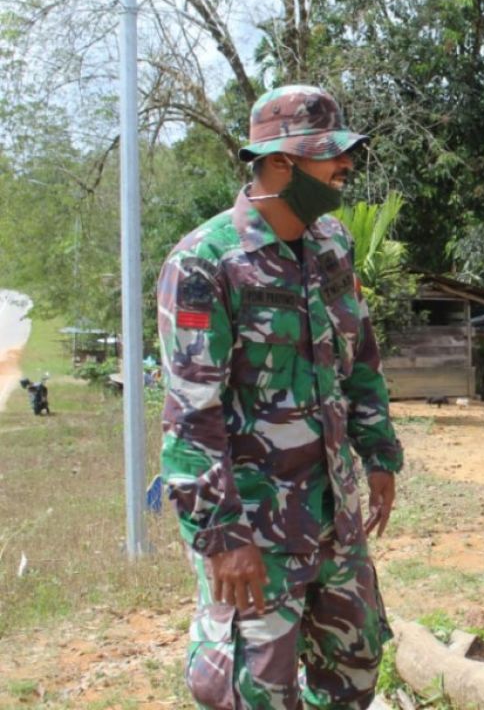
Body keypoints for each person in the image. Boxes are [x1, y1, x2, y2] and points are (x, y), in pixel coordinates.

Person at [158, 85, 403, 709]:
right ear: (279, 163)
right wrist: (221, 537)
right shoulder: (206, 263)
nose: (344, 166)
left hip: (332, 516)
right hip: (254, 530)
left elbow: (360, 361)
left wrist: (379, 457)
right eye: (329, 155)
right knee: (254, 692)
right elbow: (191, 415)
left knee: (354, 666)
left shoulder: (332, 246)